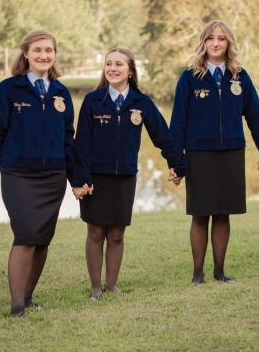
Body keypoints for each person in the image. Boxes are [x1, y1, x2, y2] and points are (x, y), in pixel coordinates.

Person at [0, 30, 76, 317]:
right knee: (26, 234)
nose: (44, 55)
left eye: (49, 50)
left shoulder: (62, 93)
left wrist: (78, 180)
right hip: (18, 174)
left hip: (53, 175)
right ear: (26, 54)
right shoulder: (8, 89)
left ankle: (28, 298)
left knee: (42, 238)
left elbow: (68, 140)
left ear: (55, 55)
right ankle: (17, 306)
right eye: (37, 50)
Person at [73, 48, 187, 300]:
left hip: (125, 177)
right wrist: (81, 178)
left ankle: (112, 285)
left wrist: (178, 164)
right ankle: (95, 288)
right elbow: (81, 143)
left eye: (119, 64)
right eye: (108, 64)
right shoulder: (92, 101)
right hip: (95, 178)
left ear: (130, 71)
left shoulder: (141, 102)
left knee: (116, 234)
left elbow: (163, 136)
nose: (112, 69)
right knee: (95, 232)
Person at [170, 20, 259, 285]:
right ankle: (198, 273)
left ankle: (219, 271)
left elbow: (255, 117)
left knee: (223, 213)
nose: (215, 43)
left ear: (229, 43)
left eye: (221, 39)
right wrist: (176, 161)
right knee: (200, 214)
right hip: (199, 154)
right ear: (203, 42)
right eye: (210, 38)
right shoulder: (189, 78)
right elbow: (178, 122)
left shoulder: (241, 77)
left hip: (231, 153)